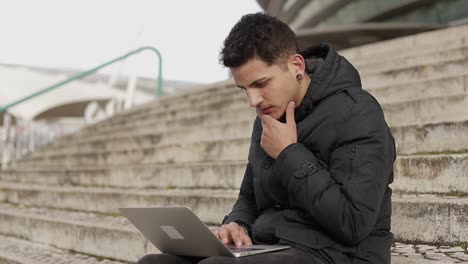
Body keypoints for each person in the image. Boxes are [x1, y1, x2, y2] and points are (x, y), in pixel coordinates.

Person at [138, 12, 396, 264]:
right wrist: (237, 223)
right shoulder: (268, 116)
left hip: (338, 254)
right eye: (244, 89)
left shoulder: (357, 113)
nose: (253, 101)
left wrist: (289, 152)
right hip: (275, 245)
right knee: (153, 261)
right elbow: (249, 196)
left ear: (296, 65)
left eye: (261, 83)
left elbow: (352, 223)